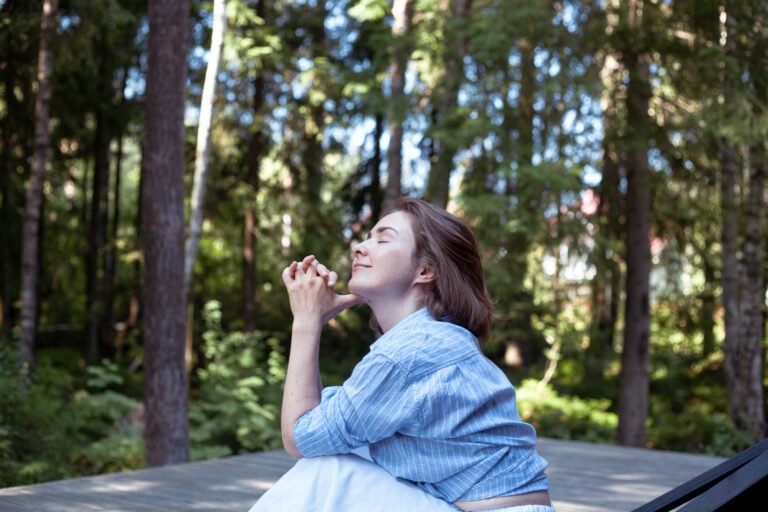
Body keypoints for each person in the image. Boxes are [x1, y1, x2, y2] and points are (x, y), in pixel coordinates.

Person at [249, 197, 553, 512]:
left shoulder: (411, 352)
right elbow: (323, 425)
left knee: (328, 472)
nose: (360, 247)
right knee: (343, 457)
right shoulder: (432, 339)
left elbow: (300, 438)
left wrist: (307, 322)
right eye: (367, 237)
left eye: (383, 238)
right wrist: (314, 321)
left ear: (425, 270)